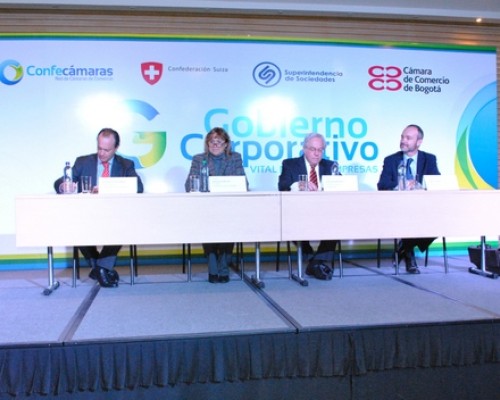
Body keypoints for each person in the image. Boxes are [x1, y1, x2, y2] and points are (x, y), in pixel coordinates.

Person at [54, 127, 144, 287]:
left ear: (116, 148)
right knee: (75, 225)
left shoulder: (125, 164)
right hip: (87, 213)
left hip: (115, 214)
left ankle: (101, 267)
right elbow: (60, 181)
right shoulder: (83, 162)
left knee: (124, 224)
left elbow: (138, 187)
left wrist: (107, 188)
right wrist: (64, 186)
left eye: (106, 150)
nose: (101, 153)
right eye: (99, 148)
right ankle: (101, 267)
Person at [184, 127, 247, 283]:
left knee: (229, 228)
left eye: (219, 141)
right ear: (207, 144)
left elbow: (244, 183)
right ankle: (213, 269)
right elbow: (189, 185)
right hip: (206, 209)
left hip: (229, 208)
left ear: (226, 144)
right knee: (208, 229)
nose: (215, 145)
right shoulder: (199, 159)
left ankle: (223, 268)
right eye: (212, 141)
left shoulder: (235, 158)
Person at [377, 124, 440, 274]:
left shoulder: (429, 159)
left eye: (408, 138)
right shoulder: (391, 160)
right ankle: (409, 255)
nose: (403, 140)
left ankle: (403, 247)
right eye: (402, 137)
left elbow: (437, 182)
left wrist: (420, 185)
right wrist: (400, 185)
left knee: (441, 221)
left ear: (419, 142)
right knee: (409, 217)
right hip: (397, 208)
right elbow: (382, 185)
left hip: (423, 208)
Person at [278, 132, 340, 279]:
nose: (316, 153)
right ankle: (314, 261)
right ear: (304, 149)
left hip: (324, 212)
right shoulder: (290, 164)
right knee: (289, 221)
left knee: (337, 222)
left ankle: (316, 262)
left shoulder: (330, 166)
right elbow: (282, 185)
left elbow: (341, 185)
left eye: (320, 150)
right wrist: (298, 185)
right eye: (313, 149)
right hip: (298, 212)